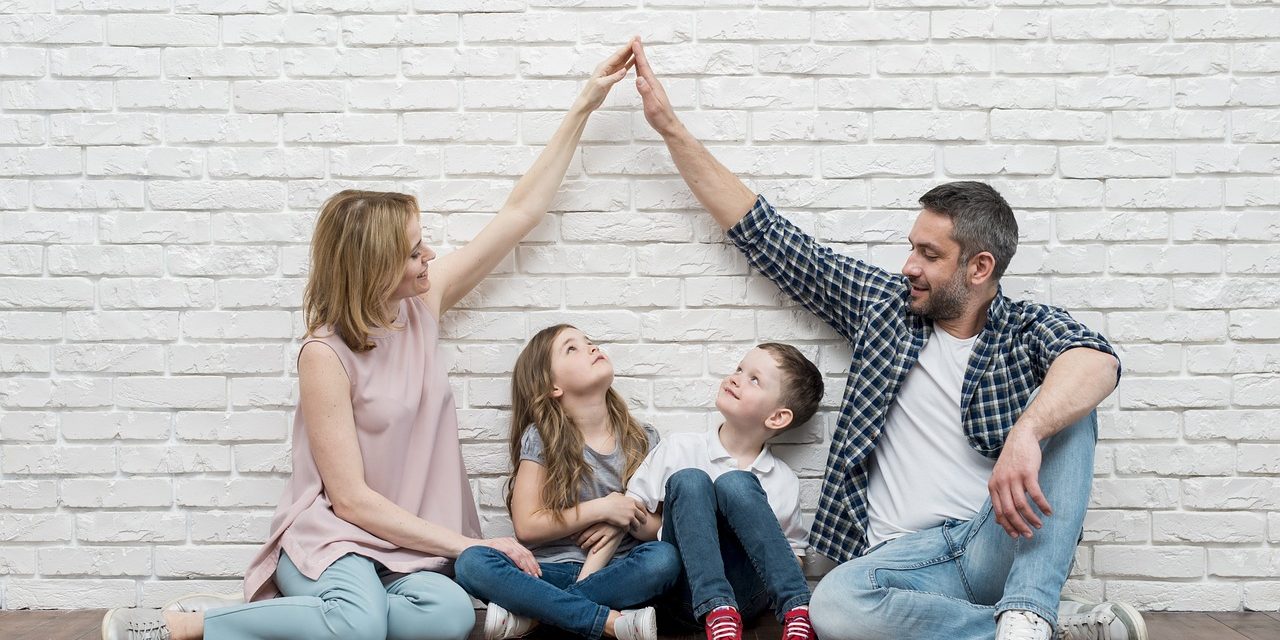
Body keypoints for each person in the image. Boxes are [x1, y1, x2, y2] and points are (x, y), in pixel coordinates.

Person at [99, 41, 640, 640]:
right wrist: (472, 542)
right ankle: (185, 625)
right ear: (375, 268)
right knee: (358, 624)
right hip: (339, 539)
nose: (429, 255)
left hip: (412, 547)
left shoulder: (423, 303)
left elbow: (519, 213)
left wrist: (585, 105)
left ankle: (324, 618)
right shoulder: (324, 355)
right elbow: (351, 501)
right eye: (413, 250)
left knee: (449, 616)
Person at [626, 38, 1148, 640]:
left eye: (929, 254)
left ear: (979, 268)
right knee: (834, 607)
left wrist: (1029, 431)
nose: (909, 266)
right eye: (911, 247)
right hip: (903, 562)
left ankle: (1031, 608)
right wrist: (669, 129)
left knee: (1072, 407)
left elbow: (1098, 362)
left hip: (992, 540)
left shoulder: (1025, 330)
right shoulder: (885, 308)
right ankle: (1040, 630)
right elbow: (770, 238)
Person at [453, 324, 681, 640]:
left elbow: (657, 530)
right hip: (546, 573)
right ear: (552, 386)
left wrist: (624, 517)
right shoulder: (542, 438)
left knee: (664, 560)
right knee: (471, 563)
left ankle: (537, 618)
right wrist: (604, 507)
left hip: (618, 571)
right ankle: (608, 622)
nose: (590, 347)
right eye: (571, 348)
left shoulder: (644, 439)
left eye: (589, 341)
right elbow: (527, 527)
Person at [624, 343, 823, 640]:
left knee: (736, 483)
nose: (735, 377)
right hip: (682, 595)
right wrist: (683, 523)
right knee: (691, 480)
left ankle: (797, 609)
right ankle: (717, 609)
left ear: (777, 418)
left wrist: (751, 536)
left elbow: (793, 555)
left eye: (754, 379)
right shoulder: (681, 447)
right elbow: (633, 513)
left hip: (746, 597)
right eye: (739, 369)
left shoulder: (782, 479)